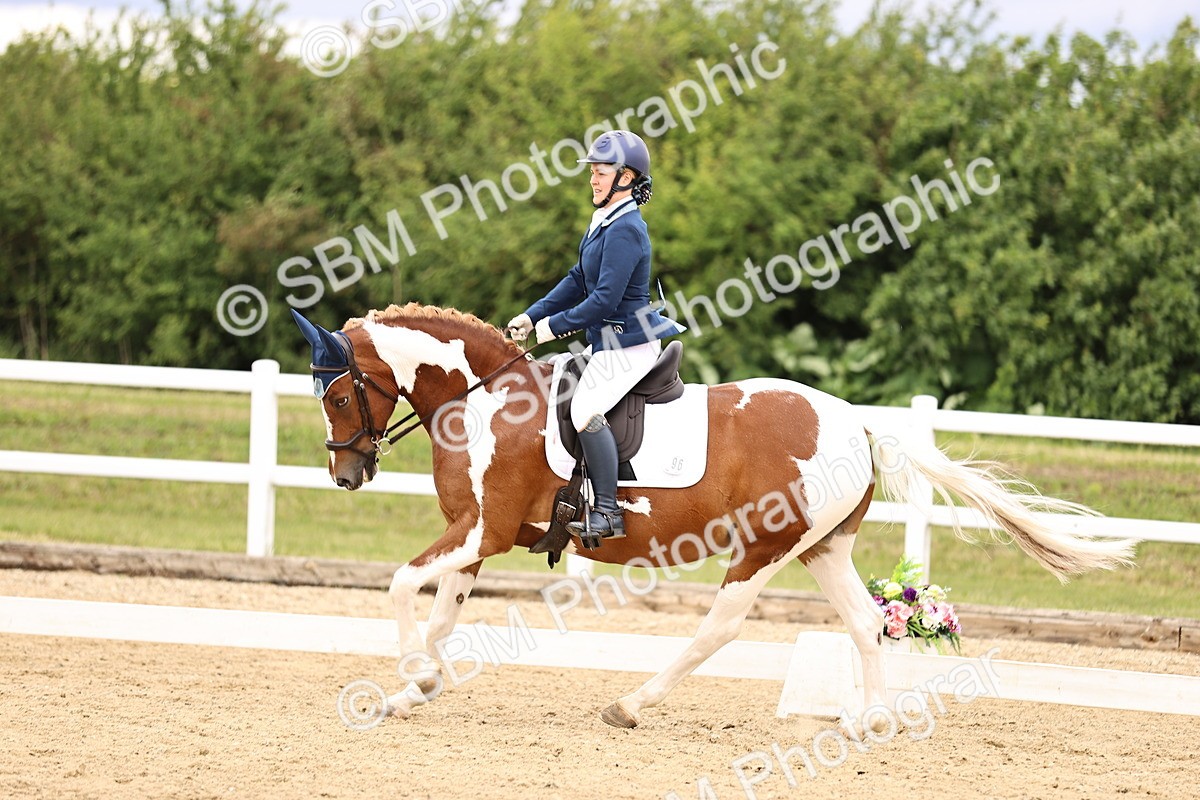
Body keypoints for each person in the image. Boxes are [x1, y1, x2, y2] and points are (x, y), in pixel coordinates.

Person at [507, 129, 685, 540]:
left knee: (585, 409)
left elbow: (604, 300)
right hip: (606, 343)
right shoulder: (604, 221)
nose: (593, 178)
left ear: (625, 178)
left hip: (630, 345)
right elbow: (577, 279)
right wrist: (532, 315)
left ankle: (608, 513)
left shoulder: (626, 229)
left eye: (601, 172)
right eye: (593, 172)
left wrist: (549, 329)